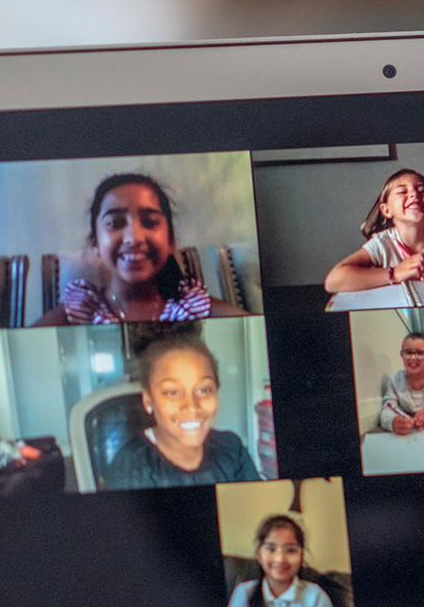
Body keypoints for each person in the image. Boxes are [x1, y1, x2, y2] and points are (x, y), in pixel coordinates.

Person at [36, 173, 249, 325]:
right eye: (116, 223)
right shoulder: (81, 310)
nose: (133, 238)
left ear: (170, 240)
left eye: (149, 222)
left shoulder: (192, 306)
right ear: (96, 243)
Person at [104, 333, 263, 489]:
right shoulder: (131, 467)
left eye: (204, 389)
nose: (192, 406)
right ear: (148, 400)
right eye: (173, 392)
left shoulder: (232, 449)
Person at [226, 514, 338, 607]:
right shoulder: (243, 592)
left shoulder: (316, 597)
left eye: (290, 550)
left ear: (301, 555)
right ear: (259, 554)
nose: (280, 559)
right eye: (271, 549)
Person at [378, 333, 424, 435]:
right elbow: (387, 408)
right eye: (407, 352)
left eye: (419, 353)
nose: (412, 358)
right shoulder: (395, 380)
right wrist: (392, 421)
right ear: (402, 355)